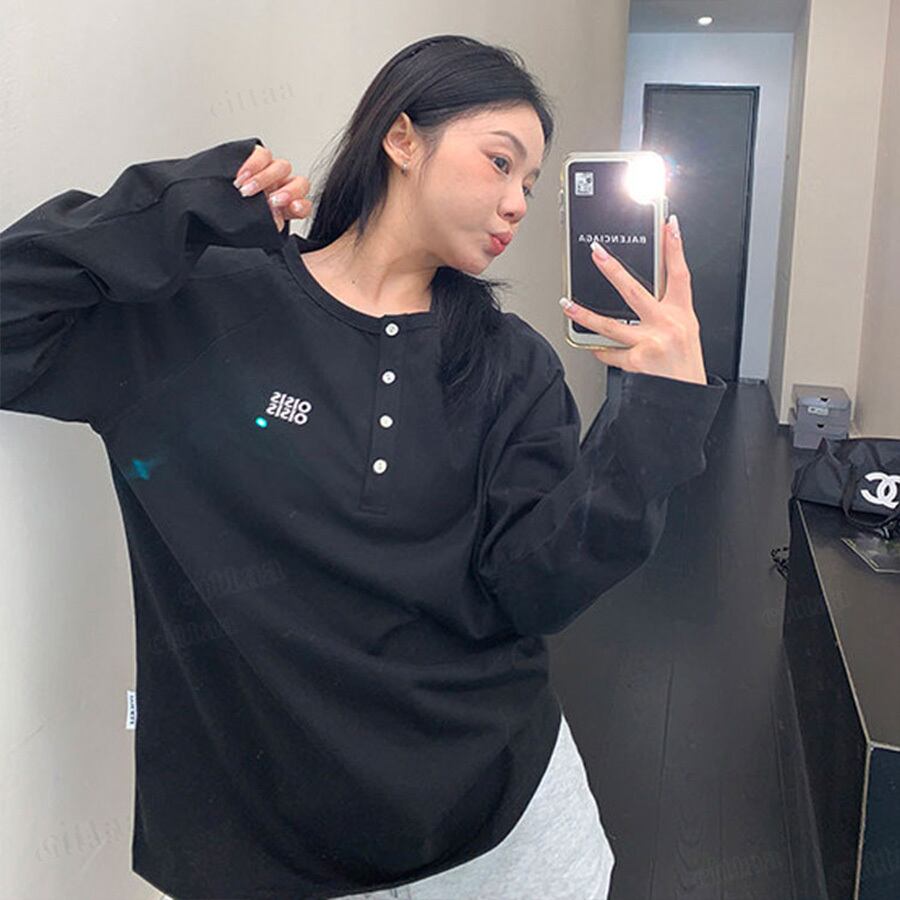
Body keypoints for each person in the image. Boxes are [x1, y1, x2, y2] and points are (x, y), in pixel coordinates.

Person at [1, 34, 725, 900]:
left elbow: (534, 589)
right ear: (402, 137)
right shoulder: (202, 309)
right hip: (266, 851)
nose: (517, 203)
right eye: (500, 162)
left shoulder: (513, 364)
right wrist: (184, 204)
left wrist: (653, 419)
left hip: (505, 826)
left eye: (532, 185)